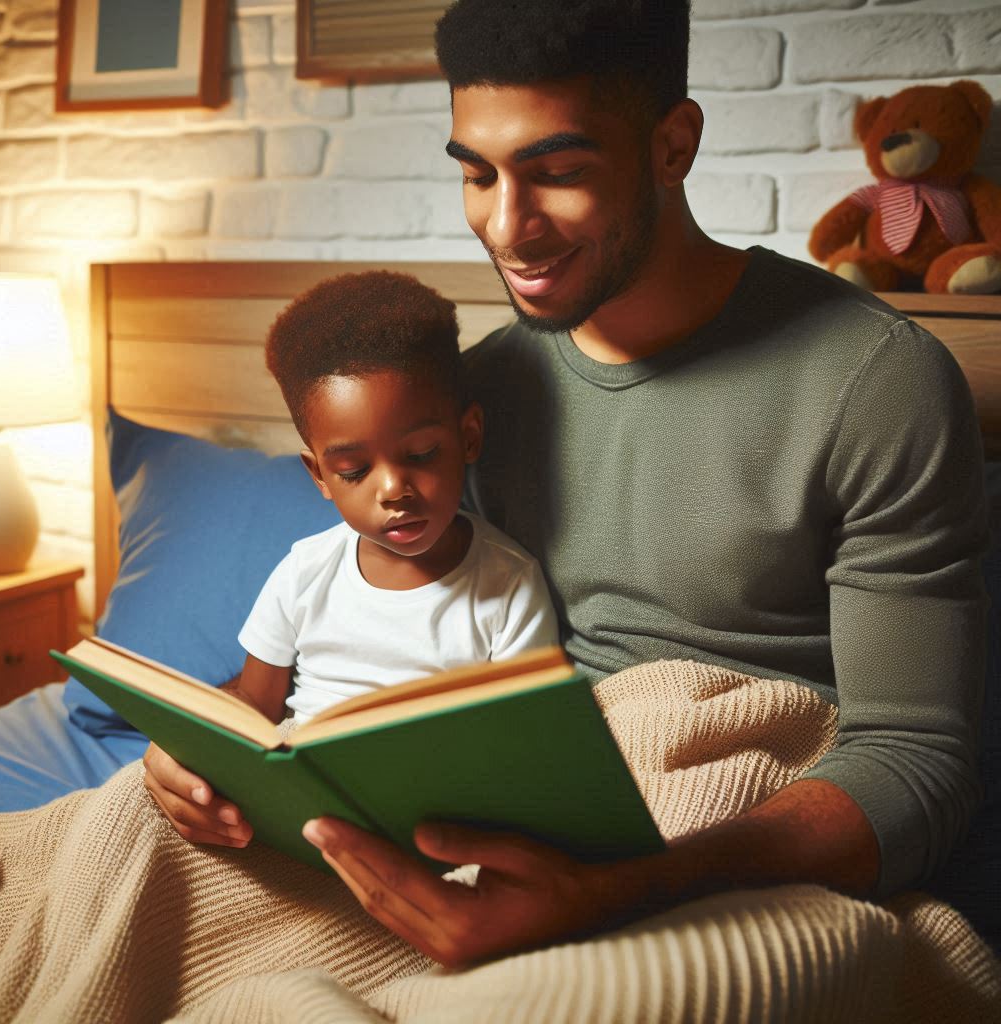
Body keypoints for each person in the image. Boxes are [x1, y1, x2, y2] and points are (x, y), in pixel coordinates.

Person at [147, 0, 988, 967]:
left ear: (673, 145)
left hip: (730, 834)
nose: (508, 227)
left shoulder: (876, 382)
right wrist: (203, 749)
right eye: (475, 173)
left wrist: (608, 893)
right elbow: (389, 641)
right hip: (508, 815)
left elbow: (918, 764)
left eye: (558, 173)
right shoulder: (475, 398)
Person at [142, 270, 557, 843]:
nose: (392, 489)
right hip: (298, 805)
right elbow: (254, 702)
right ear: (319, 476)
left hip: (432, 821)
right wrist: (185, 743)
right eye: (354, 471)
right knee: (129, 814)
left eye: (420, 453)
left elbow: (526, 746)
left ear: (468, 436)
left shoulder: (509, 586)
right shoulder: (305, 572)